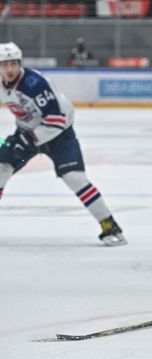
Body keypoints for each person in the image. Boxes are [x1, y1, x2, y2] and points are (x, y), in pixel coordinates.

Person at [0, 42, 126, 246]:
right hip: (26, 131)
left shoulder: (34, 84)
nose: (9, 69)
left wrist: (30, 139)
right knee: (1, 169)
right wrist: (26, 137)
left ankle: (109, 225)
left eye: (13, 64)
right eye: (4, 65)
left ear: (20, 63)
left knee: (75, 178)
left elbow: (56, 119)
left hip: (59, 135)